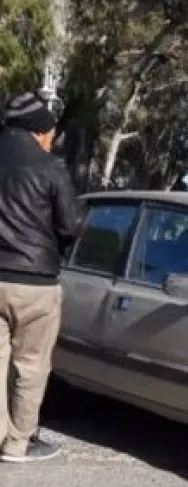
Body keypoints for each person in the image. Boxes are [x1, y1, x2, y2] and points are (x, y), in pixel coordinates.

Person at [0, 92, 82, 462]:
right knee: (30, 364)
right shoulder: (51, 167)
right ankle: (18, 443)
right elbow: (71, 224)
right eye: (50, 133)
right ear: (38, 131)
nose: (51, 139)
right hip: (35, 281)